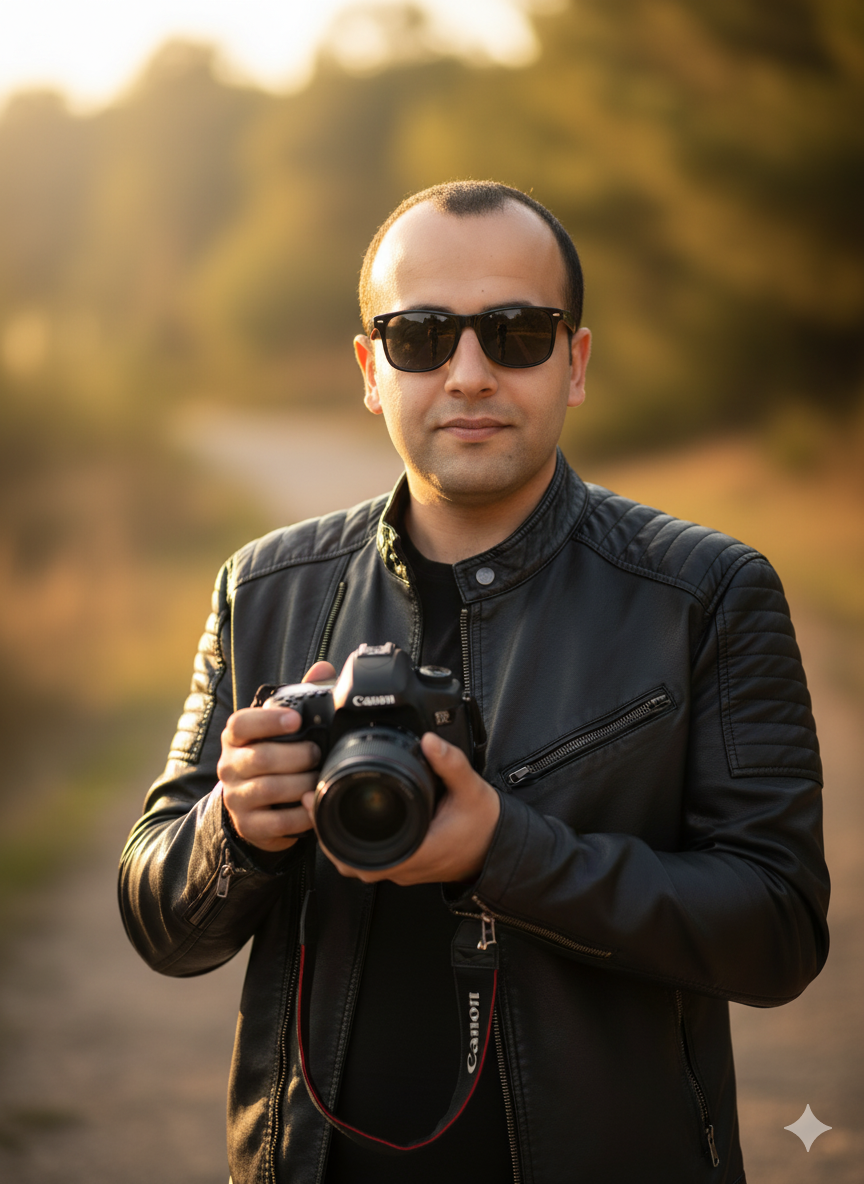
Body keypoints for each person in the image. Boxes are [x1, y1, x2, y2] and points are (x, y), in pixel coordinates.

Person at [119, 180, 829, 1184]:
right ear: (371, 370)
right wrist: (234, 828)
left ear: (575, 362)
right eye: (418, 336)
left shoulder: (706, 592)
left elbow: (778, 929)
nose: (469, 373)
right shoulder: (263, 588)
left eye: (516, 332)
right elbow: (158, 915)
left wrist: (506, 851)